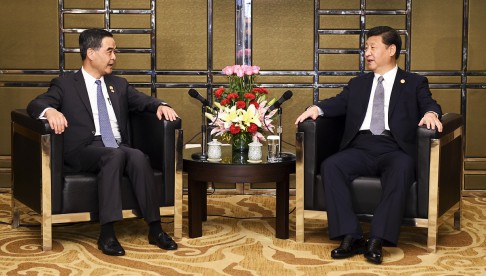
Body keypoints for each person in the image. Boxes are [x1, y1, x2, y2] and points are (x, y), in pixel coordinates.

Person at [295, 26, 443, 264]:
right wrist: (317, 108)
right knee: (332, 166)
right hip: (361, 146)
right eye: (366, 48)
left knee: (402, 168)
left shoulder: (414, 82)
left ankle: (377, 239)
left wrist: (431, 113)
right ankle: (351, 235)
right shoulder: (359, 83)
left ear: (391, 49)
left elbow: (430, 103)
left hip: (395, 148)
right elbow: (339, 102)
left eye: (373, 47)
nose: (367, 53)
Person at [27, 29, 179, 256]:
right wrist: (49, 112)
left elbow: (142, 100)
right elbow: (36, 104)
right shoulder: (66, 84)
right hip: (84, 150)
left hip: (116, 145)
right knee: (115, 155)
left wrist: (160, 105)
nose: (114, 57)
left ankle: (155, 229)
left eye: (115, 51)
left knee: (137, 156)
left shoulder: (118, 83)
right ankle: (107, 233)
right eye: (109, 51)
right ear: (91, 53)